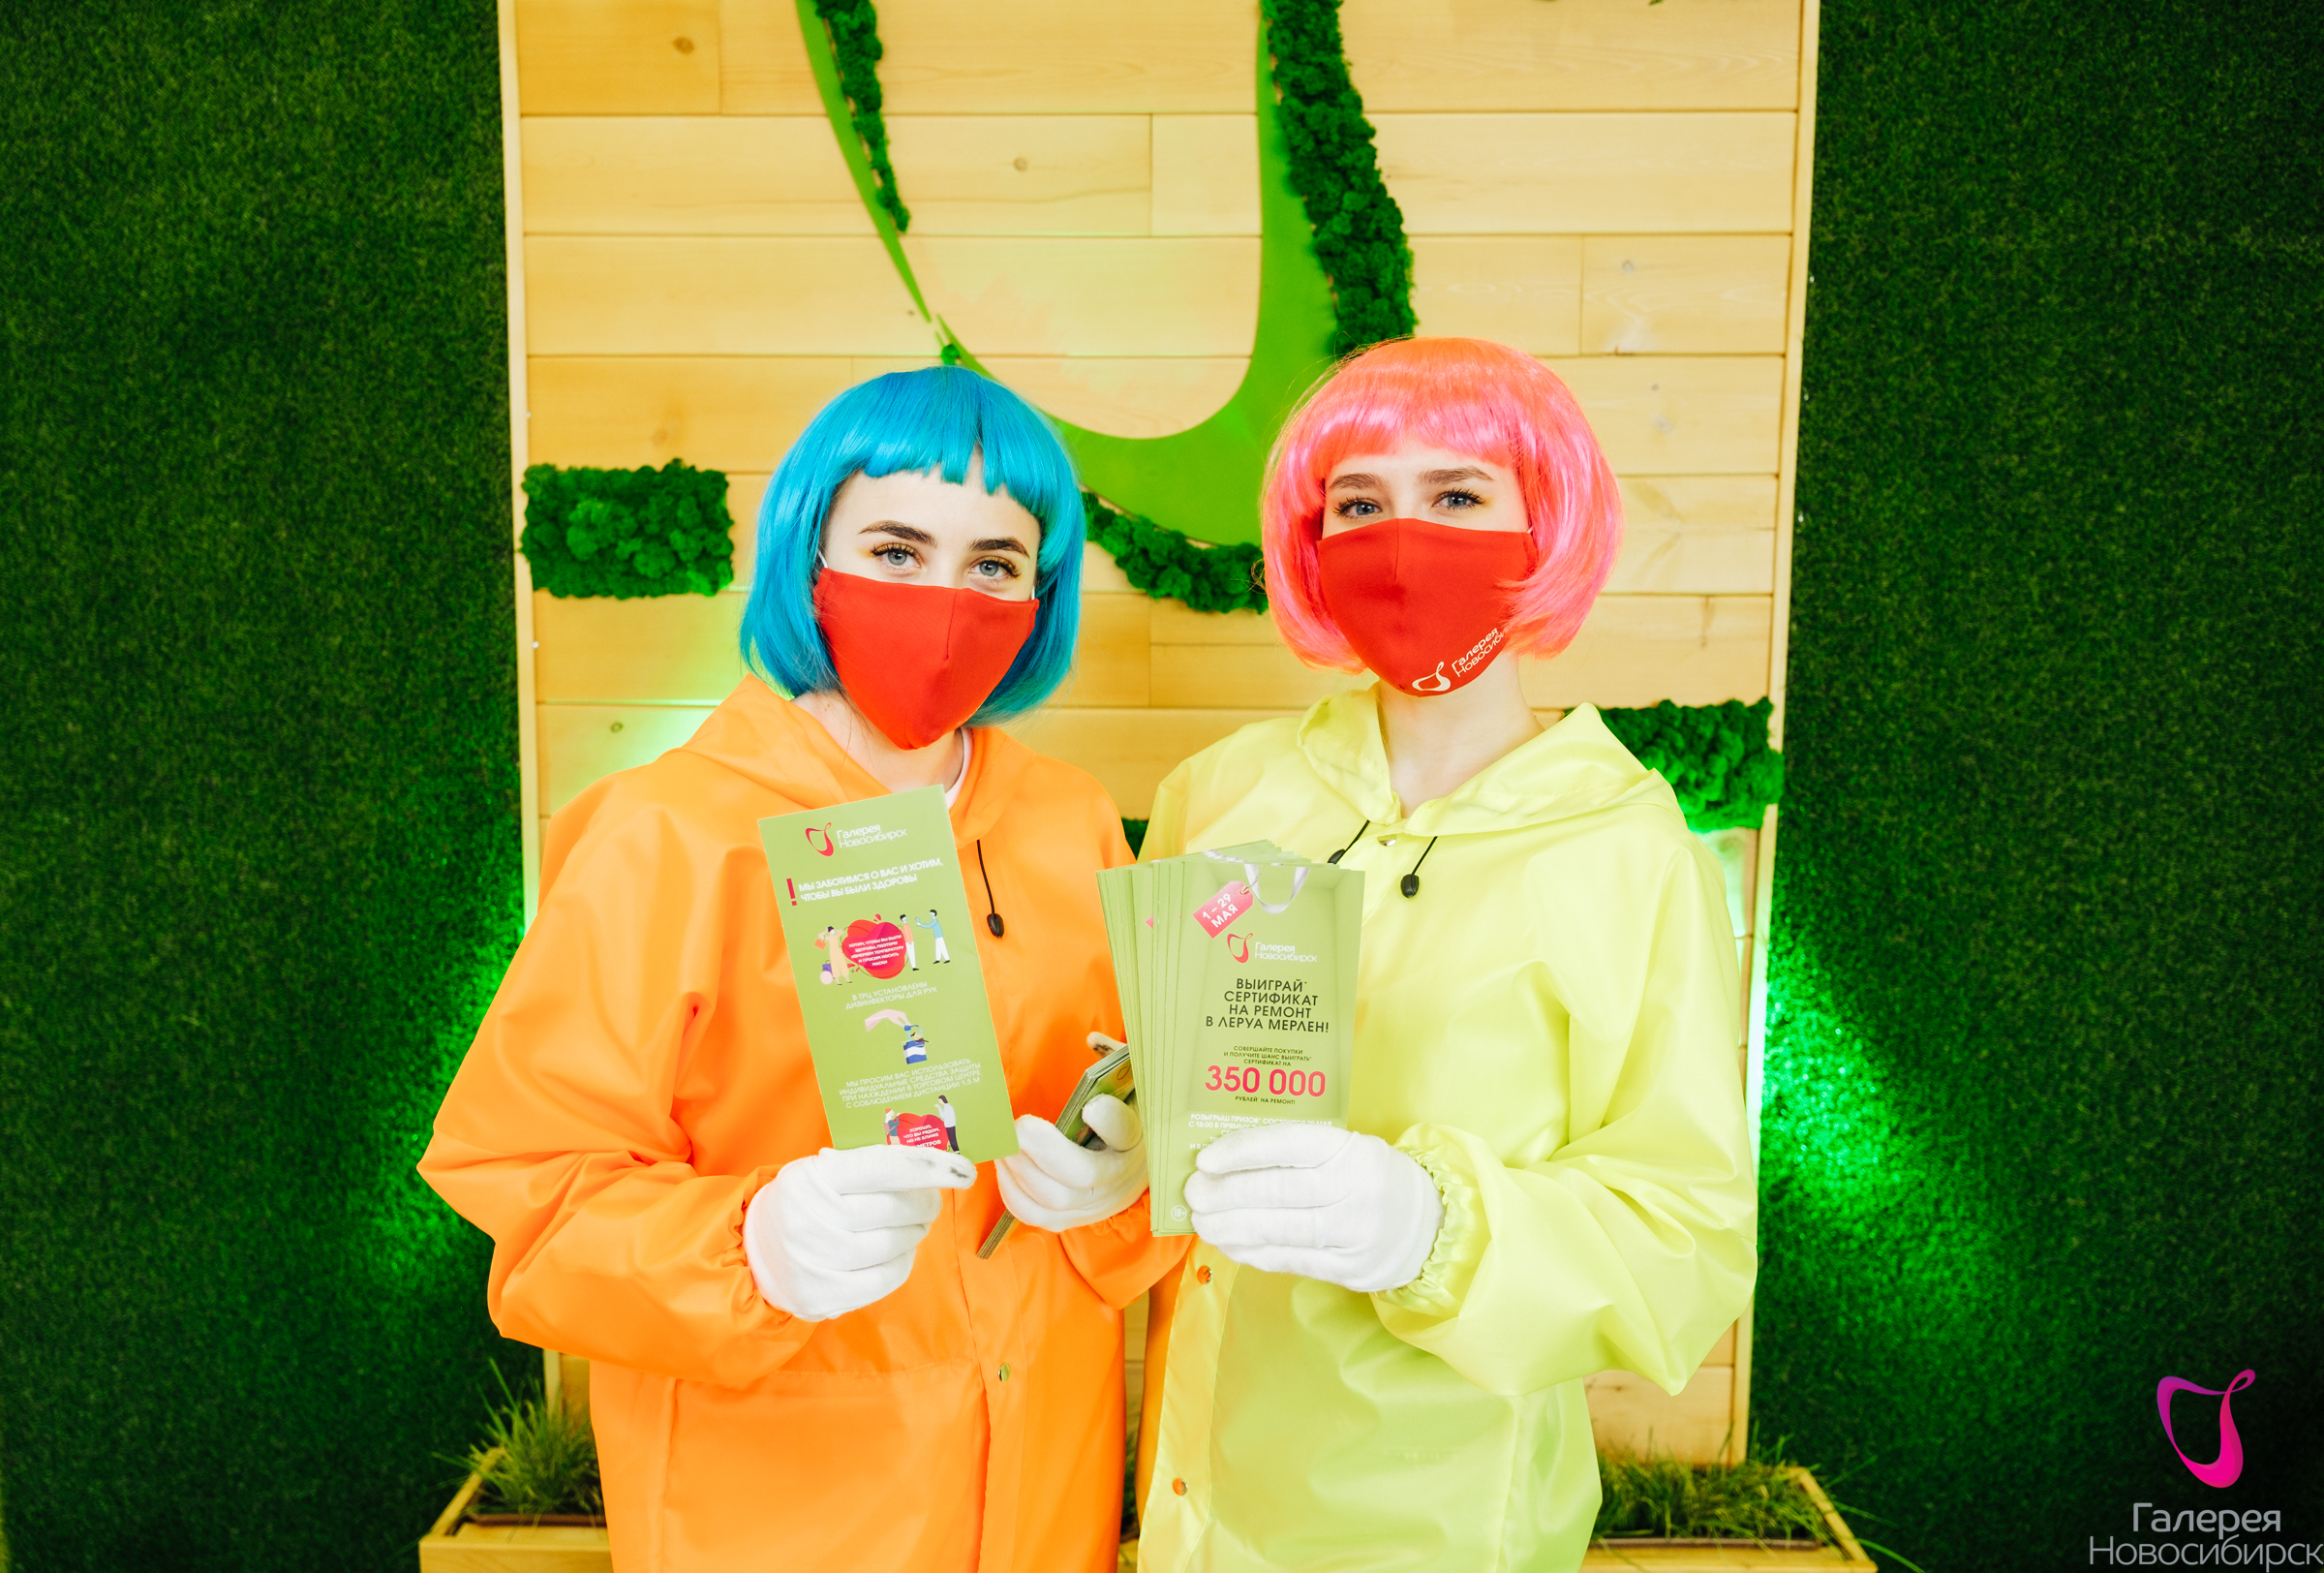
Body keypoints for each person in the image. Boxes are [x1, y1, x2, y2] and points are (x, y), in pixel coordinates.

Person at [420, 367, 1181, 1573]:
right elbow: (532, 1186)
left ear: (1040, 596)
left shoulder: (1070, 821)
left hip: (1045, 1499)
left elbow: (1129, 1100)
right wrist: (752, 1245)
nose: (944, 599)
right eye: (895, 549)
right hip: (775, 1513)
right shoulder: (665, 833)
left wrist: (1127, 1181)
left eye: (993, 563)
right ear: (807, 556)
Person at [1132, 338, 1758, 1573]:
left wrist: (1430, 1227)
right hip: (1196, 1501)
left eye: (1459, 495)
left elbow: (1685, 1234)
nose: (1402, 540)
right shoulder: (1221, 793)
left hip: (1438, 1523)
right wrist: (1117, 1131)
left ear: (1546, 526)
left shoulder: (1627, 850)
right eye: (1360, 503)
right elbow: (1165, 1091)